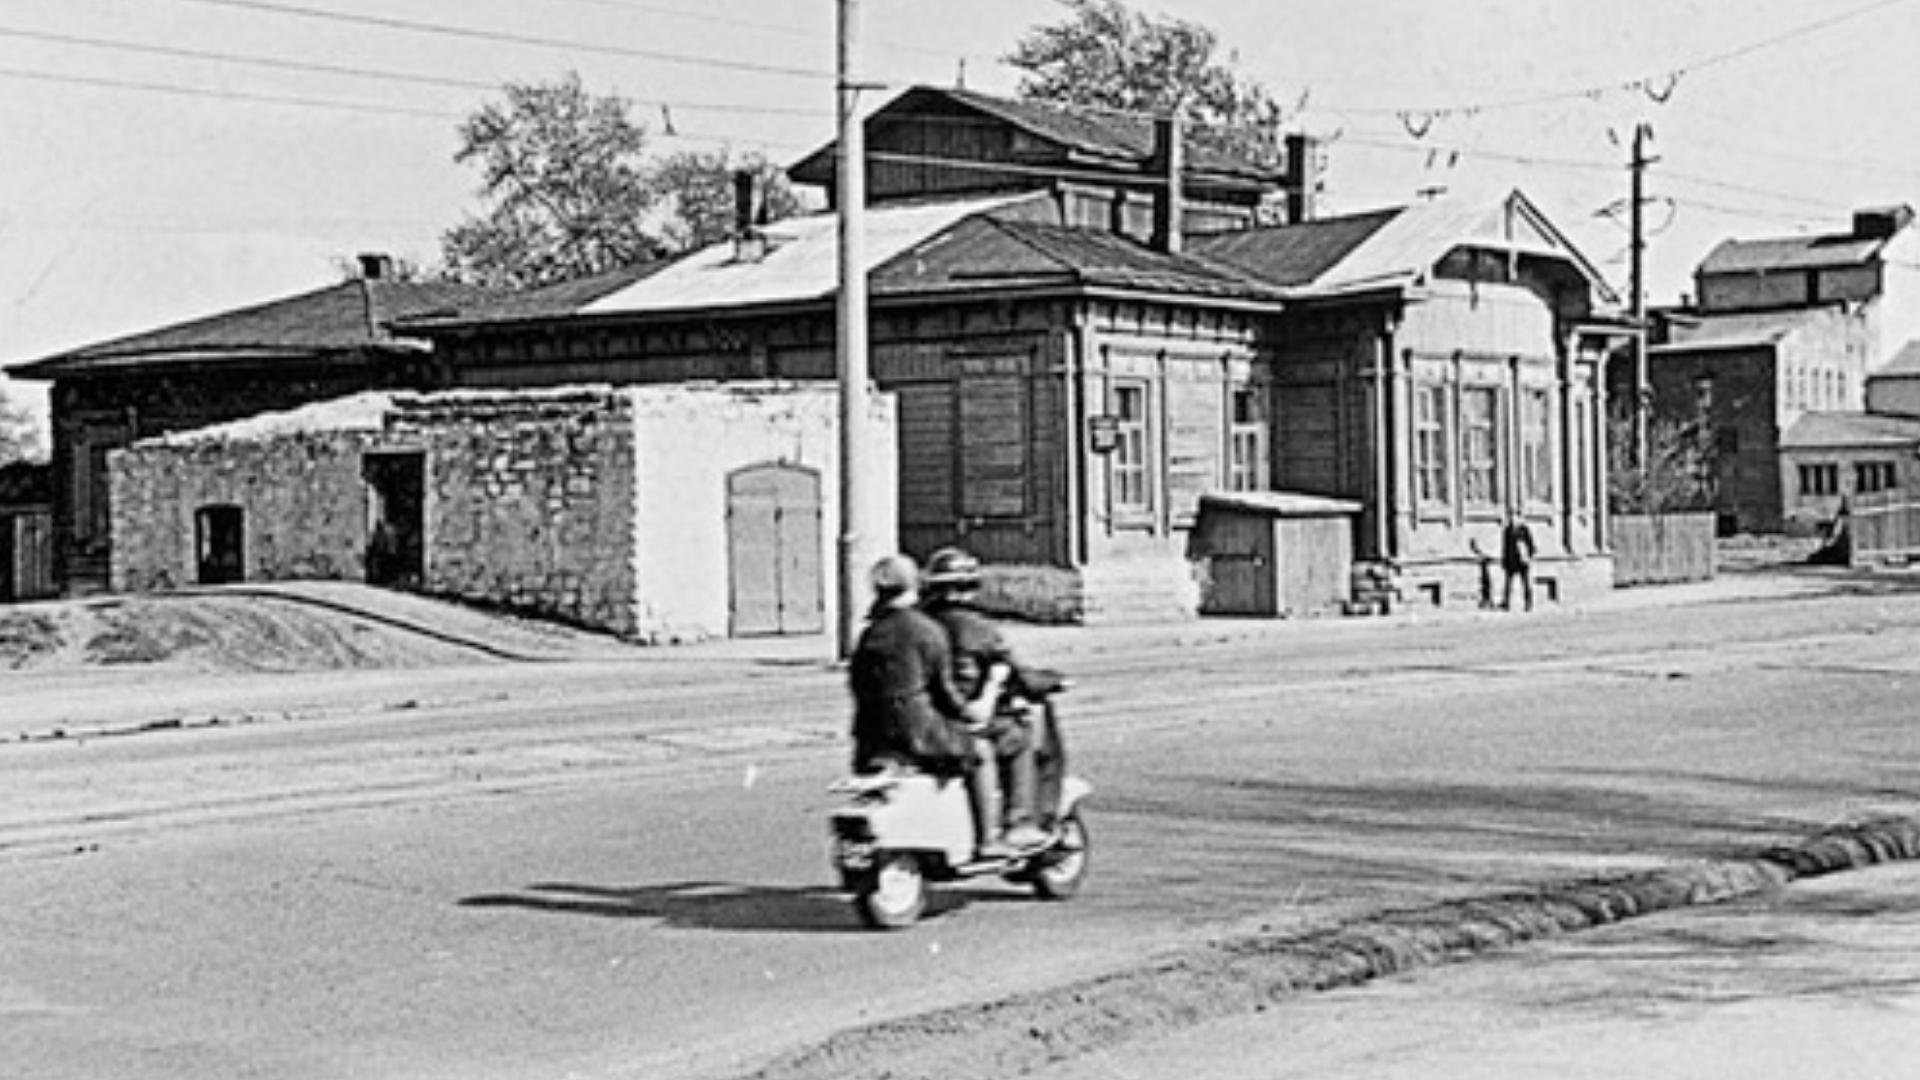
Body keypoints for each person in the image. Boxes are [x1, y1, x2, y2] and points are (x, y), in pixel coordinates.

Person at [845, 554, 1004, 857]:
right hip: (918, 734)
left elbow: (857, 685)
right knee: (980, 751)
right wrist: (971, 713)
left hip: (871, 736)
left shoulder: (869, 634)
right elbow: (944, 691)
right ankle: (987, 840)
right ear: (915, 586)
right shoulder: (926, 630)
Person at [920, 547, 1051, 852]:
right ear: (969, 588)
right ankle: (1017, 821)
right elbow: (1019, 673)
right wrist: (1050, 681)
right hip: (961, 718)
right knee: (1018, 737)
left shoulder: (919, 622)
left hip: (925, 718)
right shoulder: (978, 627)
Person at [1500, 514, 1536, 612]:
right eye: (1511, 517)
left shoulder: (1524, 529)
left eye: (1515, 517)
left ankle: (1528, 603)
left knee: (1525, 582)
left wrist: (1529, 556)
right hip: (1511, 561)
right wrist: (1504, 560)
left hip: (1522, 561)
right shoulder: (1508, 530)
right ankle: (1506, 603)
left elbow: (1531, 544)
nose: (1512, 519)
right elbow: (1505, 547)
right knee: (1508, 583)